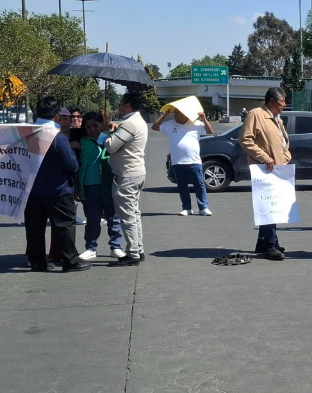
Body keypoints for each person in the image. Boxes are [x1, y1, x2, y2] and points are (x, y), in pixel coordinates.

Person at [24, 96, 92, 272]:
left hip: (32, 189)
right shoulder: (57, 137)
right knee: (65, 225)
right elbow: (71, 164)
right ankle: (70, 260)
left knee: (35, 227)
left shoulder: (27, 133)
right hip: (58, 190)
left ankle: (37, 261)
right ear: (56, 115)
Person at [239, 87, 291, 260]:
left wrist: (285, 158)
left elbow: (284, 143)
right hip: (264, 170)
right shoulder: (256, 114)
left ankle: (263, 242)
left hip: (278, 170)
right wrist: (264, 157)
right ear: (271, 101)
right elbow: (245, 140)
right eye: (282, 101)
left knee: (272, 207)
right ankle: (270, 245)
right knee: (269, 208)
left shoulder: (277, 119)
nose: (284, 104)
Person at [105, 92, 149, 264]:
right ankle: (138, 249)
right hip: (136, 172)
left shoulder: (129, 124)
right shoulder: (138, 121)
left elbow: (111, 146)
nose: (119, 106)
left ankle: (133, 253)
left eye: (121, 103)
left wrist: (106, 133)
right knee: (134, 214)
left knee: (127, 216)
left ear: (128, 105)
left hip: (126, 174)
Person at [76, 111, 125, 260]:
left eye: (95, 125)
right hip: (89, 186)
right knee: (92, 219)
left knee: (113, 217)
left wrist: (109, 127)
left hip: (109, 184)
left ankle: (116, 247)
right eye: (88, 126)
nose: (92, 129)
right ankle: (91, 247)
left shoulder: (109, 139)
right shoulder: (83, 142)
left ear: (101, 125)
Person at [153, 107, 214, 216]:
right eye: (175, 113)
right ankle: (187, 208)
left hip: (194, 160)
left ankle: (203, 207)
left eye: (178, 113)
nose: (175, 115)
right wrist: (164, 114)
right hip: (177, 161)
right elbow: (155, 127)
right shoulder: (169, 124)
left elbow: (209, 131)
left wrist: (204, 118)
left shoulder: (196, 124)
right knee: (182, 186)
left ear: (185, 114)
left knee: (199, 185)